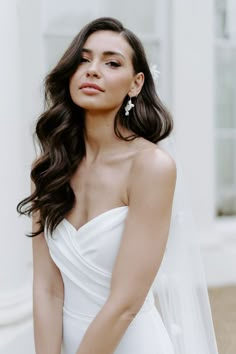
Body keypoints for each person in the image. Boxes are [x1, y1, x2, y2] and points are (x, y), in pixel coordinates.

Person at [17, 17, 218, 354]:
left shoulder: (150, 167)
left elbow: (126, 302)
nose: (93, 70)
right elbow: (48, 289)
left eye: (111, 62)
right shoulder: (49, 167)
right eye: (83, 59)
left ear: (135, 84)